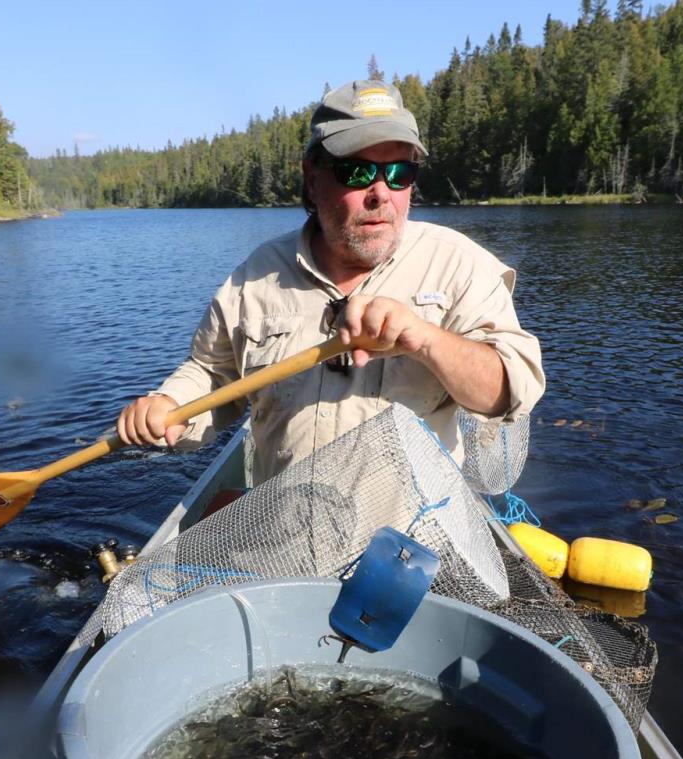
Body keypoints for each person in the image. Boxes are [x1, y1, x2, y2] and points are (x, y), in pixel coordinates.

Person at [116, 79, 545, 486]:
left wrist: (424, 338)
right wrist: (169, 406)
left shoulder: (458, 264)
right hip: (284, 540)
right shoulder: (254, 278)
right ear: (312, 177)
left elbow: (508, 392)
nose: (381, 192)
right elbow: (213, 373)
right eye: (357, 172)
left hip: (409, 548)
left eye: (400, 173)